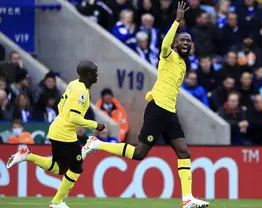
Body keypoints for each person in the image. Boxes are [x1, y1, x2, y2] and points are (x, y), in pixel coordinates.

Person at [81, 3, 209, 208]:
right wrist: (177, 22)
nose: (186, 42)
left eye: (188, 41)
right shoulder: (168, 55)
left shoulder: (184, 64)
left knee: (183, 152)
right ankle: (96, 144)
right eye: (182, 40)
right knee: (139, 153)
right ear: (176, 44)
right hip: (158, 107)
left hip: (169, 112)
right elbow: (166, 44)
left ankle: (187, 199)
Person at [6, 60, 105, 208]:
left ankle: (28, 155)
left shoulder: (73, 84)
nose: (97, 75)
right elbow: (73, 117)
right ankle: (57, 202)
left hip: (59, 129)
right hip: (64, 133)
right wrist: (95, 124)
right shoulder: (82, 92)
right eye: (95, 72)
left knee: (59, 168)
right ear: (88, 74)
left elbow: (60, 106)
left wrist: (64, 119)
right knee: (77, 167)